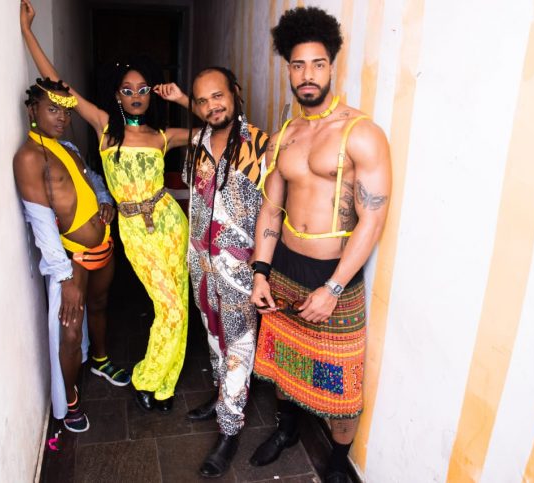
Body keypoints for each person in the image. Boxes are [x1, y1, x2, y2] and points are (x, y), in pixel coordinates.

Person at [20, 0, 189, 412]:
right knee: (167, 305)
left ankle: (160, 382)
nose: (135, 96)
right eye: (127, 90)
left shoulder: (163, 135)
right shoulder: (104, 127)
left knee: (177, 303)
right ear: (117, 95)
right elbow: (59, 85)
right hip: (134, 231)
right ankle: (149, 378)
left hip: (170, 223)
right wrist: (27, 32)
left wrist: (184, 98)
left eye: (143, 89)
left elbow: (219, 127)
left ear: (151, 93)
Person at [249, 7, 392, 482]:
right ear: (287, 69)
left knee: (342, 383)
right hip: (284, 267)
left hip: (334, 275)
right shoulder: (284, 137)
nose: (307, 75)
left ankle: (335, 464)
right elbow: (271, 209)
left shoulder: (361, 133)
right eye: (298, 65)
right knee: (284, 362)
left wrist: (333, 287)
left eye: (317, 64)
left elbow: (373, 217)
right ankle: (287, 430)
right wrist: (260, 272)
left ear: (332, 66)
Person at [159, 67, 268, 477]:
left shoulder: (262, 147)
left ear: (235, 93)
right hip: (201, 263)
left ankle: (229, 429)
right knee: (212, 334)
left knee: (239, 346)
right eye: (202, 101)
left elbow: (274, 212)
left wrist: (263, 269)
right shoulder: (199, 142)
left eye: (218, 96)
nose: (211, 107)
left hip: (239, 269)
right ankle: (222, 395)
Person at [13, 78, 130, 433]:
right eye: (53, 110)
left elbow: (91, 178)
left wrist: (106, 201)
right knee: (69, 331)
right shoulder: (29, 157)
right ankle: (71, 399)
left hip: (103, 244)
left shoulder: (67, 146)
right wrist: (64, 277)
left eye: (65, 111)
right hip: (73, 258)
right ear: (33, 111)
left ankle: (100, 360)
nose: (62, 118)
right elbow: (41, 222)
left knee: (100, 304)